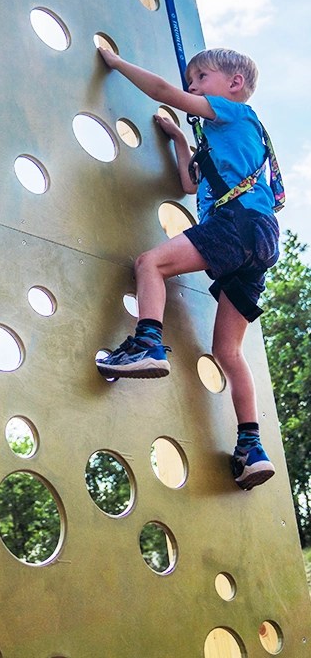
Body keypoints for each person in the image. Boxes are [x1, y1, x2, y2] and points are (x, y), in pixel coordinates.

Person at [95, 46, 282, 492]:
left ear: (233, 85)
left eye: (200, 79)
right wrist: (180, 140)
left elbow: (161, 90)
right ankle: (251, 447)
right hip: (261, 241)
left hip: (236, 226)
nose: (191, 87)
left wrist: (118, 64)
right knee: (228, 352)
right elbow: (188, 184)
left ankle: (148, 343)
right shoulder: (228, 142)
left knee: (150, 264)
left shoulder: (233, 114)